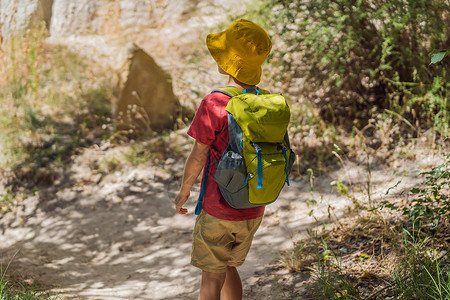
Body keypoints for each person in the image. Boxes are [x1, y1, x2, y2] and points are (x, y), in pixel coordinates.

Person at [174, 19, 272, 300]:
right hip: (253, 207)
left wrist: (184, 191)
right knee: (229, 266)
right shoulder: (266, 102)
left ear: (226, 63)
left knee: (211, 274)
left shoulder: (216, 103)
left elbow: (198, 156)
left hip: (218, 207)